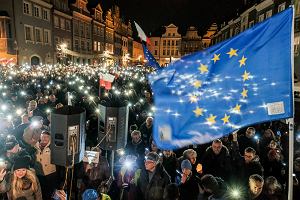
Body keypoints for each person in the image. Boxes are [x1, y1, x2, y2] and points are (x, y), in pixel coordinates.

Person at [34, 130, 57, 199]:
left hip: (50, 173)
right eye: (43, 136)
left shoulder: (53, 147)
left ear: (50, 138)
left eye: (47, 137)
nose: (44, 138)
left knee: (50, 192)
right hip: (38, 173)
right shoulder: (34, 146)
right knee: (40, 191)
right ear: (40, 137)